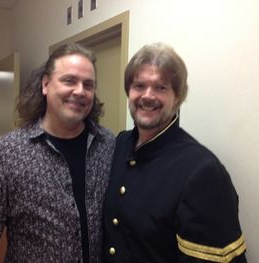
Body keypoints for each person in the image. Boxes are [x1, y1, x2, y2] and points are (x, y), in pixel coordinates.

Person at [0, 43, 115, 262]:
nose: (80, 91)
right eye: (69, 80)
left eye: (88, 84)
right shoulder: (7, 153)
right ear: (45, 84)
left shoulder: (108, 145)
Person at [102, 43, 247, 262]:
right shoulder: (119, 145)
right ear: (128, 92)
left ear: (178, 96)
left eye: (160, 87)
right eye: (139, 85)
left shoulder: (202, 171)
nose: (147, 96)